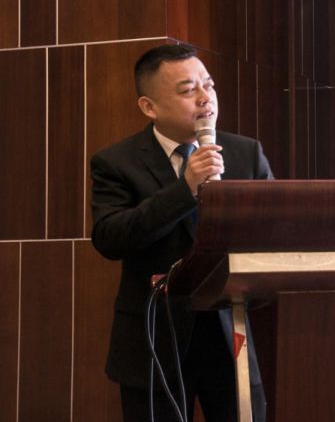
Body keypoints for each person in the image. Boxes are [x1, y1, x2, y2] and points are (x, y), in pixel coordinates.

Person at [90, 43, 272, 422]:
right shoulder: (116, 162)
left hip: (231, 329)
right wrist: (184, 189)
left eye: (209, 85)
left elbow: (275, 230)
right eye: (189, 90)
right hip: (156, 339)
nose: (205, 98)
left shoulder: (245, 153)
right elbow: (110, 237)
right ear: (149, 107)